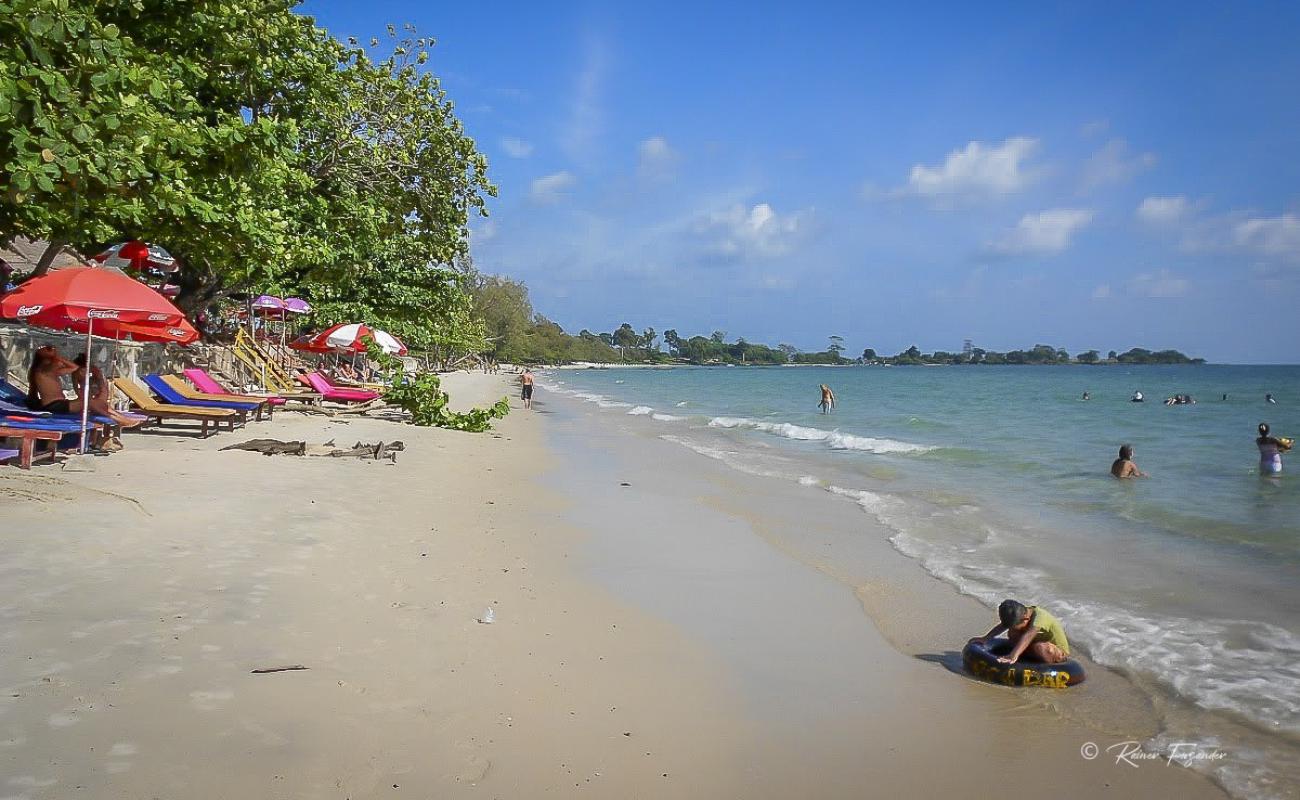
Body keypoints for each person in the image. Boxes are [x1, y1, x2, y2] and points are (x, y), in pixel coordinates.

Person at [27, 346, 141, 428]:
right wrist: (57, 357)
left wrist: (54, 356)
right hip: (54, 406)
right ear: (45, 360)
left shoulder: (50, 372)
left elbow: (74, 367)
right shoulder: (41, 371)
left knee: (96, 402)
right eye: (50, 353)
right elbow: (74, 367)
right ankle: (118, 420)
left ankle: (121, 418)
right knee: (90, 402)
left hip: (60, 404)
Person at [969, 599, 1071, 665]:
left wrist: (1013, 655)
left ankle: (1045, 667)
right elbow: (1004, 625)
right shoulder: (1019, 613)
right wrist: (985, 638)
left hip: (1057, 652)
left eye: (1014, 625)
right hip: (1032, 646)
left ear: (1025, 619)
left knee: (1040, 647)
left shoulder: (1040, 617)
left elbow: (1028, 635)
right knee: (1013, 633)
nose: (1011, 627)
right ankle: (1023, 656)